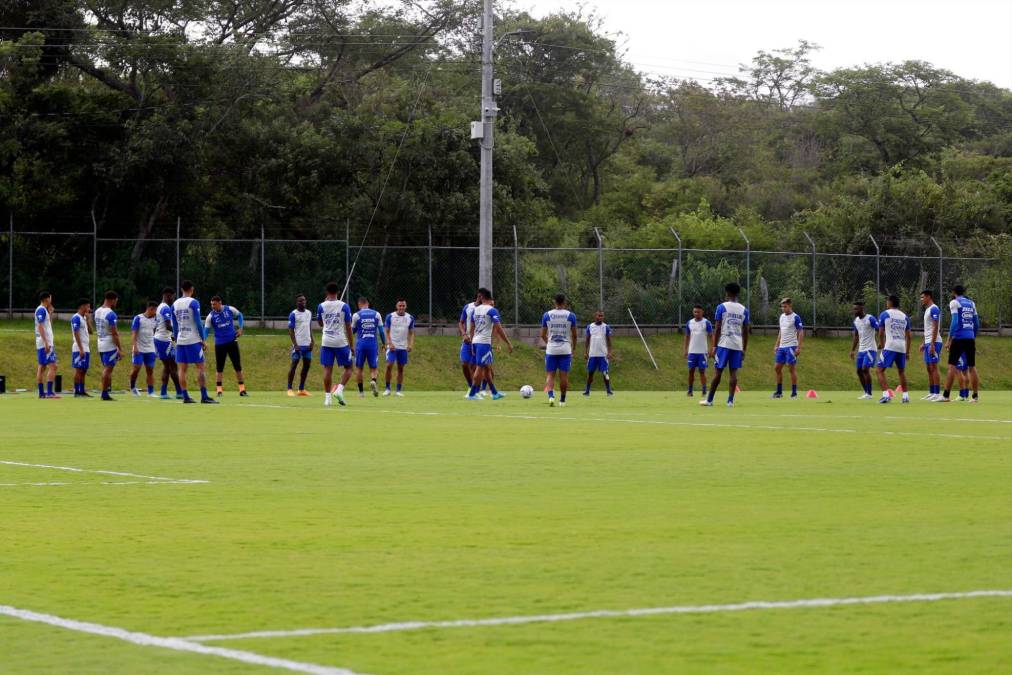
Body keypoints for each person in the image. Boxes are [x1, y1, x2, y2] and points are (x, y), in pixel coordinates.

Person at [701, 282, 749, 408]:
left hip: (724, 344)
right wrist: (744, 348)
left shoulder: (721, 307)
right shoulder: (744, 310)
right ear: (738, 293)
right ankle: (730, 401)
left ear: (727, 293)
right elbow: (746, 331)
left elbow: (717, 328)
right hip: (737, 345)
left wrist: (714, 346)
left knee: (718, 372)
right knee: (733, 373)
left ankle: (710, 400)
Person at [171, 280, 216, 404]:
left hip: (180, 340)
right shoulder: (193, 302)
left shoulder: (174, 304)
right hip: (193, 340)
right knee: (200, 367)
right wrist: (203, 339)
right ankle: (204, 396)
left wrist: (175, 339)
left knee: (181, 369)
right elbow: (198, 322)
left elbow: (174, 325)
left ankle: (185, 396)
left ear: (181, 290)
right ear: (192, 289)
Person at [466, 287, 512, 400]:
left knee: (487, 368)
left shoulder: (475, 310)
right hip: (484, 343)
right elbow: (499, 328)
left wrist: (472, 343)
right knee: (480, 368)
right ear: (490, 298)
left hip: (476, 341)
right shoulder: (492, 310)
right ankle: (472, 394)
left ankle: (494, 392)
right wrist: (508, 343)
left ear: (482, 297)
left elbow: (471, 328)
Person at [939, 284, 980, 403]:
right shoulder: (971, 303)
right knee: (972, 367)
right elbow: (976, 323)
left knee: (952, 366)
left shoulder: (954, 302)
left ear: (953, 292)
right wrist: (973, 335)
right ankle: (975, 396)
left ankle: (946, 395)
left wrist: (949, 340)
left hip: (959, 338)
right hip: (970, 337)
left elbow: (955, 321)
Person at [317, 282, 354, 407]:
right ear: (338, 292)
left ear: (326, 293)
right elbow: (348, 327)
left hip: (326, 341)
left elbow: (320, 324)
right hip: (340, 341)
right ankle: (339, 389)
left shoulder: (321, 306)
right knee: (349, 367)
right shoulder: (344, 306)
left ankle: (327, 398)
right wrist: (352, 345)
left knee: (327, 369)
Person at [540, 293, 578, 407]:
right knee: (564, 376)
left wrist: (549, 343)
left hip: (551, 349)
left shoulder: (547, 315)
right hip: (565, 349)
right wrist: (573, 349)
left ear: (554, 302)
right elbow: (575, 335)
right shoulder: (571, 315)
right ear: (564, 302)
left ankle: (551, 397)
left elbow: (542, 334)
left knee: (550, 375)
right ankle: (562, 400)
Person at [205, 296, 247, 397]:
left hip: (232, 342)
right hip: (219, 344)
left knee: (237, 366)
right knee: (219, 368)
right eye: (211, 304)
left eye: (214, 304)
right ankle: (219, 390)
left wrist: (240, 328)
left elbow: (240, 315)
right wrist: (203, 341)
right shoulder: (210, 316)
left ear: (220, 303)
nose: (212, 306)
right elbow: (205, 330)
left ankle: (242, 389)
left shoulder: (230, 309)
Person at [875, 295, 911, 404]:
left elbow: (881, 333)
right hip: (902, 346)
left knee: (879, 370)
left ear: (890, 302)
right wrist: (908, 351)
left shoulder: (885, 314)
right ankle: (905, 396)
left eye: (887, 301)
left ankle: (886, 395)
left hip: (890, 346)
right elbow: (909, 336)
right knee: (901, 371)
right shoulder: (904, 316)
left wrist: (882, 345)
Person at [352, 297, 385, 397]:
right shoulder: (376, 314)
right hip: (372, 344)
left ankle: (361, 392)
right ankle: (373, 380)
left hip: (361, 344)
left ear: (359, 304)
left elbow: (352, 331)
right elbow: (382, 331)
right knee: (373, 368)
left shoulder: (356, 315)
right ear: (368, 304)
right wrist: (384, 343)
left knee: (359, 368)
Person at [94, 290, 123, 401]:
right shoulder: (111, 314)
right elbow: (114, 333)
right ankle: (104, 393)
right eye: (116, 300)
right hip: (109, 345)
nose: (116, 302)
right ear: (112, 300)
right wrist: (119, 348)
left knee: (106, 368)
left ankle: (105, 391)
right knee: (108, 369)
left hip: (100, 342)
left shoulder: (97, 311)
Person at [772, 298, 803, 399]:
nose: (783, 308)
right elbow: (781, 331)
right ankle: (779, 392)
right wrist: (776, 345)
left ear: (790, 306)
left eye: (785, 306)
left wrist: (799, 347)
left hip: (791, 346)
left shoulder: (796, 317)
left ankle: (794, 393)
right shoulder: (781, 317)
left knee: (791, 369)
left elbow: (801, 332)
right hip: (781, 347)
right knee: (777, 368)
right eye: (782, 306)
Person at [154, 287, 182, 399]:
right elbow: (168, 325)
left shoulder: (160, 307)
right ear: (167, 295)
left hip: (161, 339)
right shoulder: (165, 308)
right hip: (163, 340)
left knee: (168, 367)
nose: (173, 299)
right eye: (172, 297)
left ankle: (164, 392)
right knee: (172, 366)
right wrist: (178, 332)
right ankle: (179, 392)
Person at [384, 299, 415, 397]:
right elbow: (386, 331)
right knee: (389, 365)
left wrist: (410, 344)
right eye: (400, 306)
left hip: (403, 347)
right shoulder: (390, 316)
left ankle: (398, 390)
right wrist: (389, 343)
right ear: (396, 306)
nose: (401, 307)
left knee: (400, 368)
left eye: (403, 306)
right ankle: (387, 389)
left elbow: (411, 333)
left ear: (406, 307)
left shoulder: (410, 318)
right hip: (392, 346)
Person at [849, 301, 878, 399]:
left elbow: (880, 329)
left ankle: (869, 394)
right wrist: (852, 350)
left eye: (856, 309)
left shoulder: (870, 318)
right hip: (861, 350)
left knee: (865, 369)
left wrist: (882, 341)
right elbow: (856, 336)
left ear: (861, 309)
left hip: (871, 349)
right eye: (854, 309)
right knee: (859, 371)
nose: (854, 311)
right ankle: (866, 392)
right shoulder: (856, 321)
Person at [129, 301, 159, 397]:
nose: (155, 312)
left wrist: (155, 348)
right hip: (139, 348)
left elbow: (154, 333)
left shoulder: (155, 319)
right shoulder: (138, 318)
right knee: (136, 369)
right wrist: (135, 346)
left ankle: (151, 391)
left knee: (150, 370)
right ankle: (133, 387)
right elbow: (134, 333)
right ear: (150, 309)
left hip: (150, 348)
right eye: (155, 310)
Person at [919, 289, 944, 401]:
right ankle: (932, 392)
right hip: (928, 342)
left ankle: (938, 394)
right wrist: (924, 343)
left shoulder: (934, 308)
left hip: (935, 342)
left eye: (923, 297)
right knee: (929, 367)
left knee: (934, 367)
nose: (921, 299)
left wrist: (932, 343)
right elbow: (928, 329)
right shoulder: (927, 310)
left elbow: (935, 327)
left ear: (929, 297)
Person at [287, 294, 314, 396]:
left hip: (307, 344)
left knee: (307, 366)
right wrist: (295, 344)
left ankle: (301, 389)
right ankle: (289, 389)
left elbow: (309, 328)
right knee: (294, 364)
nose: (303, 302)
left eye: (304, 300)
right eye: (300, 301)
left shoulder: (309, 313)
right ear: (296, 302)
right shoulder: (293, 314)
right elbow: (290, 330)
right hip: (298, 344)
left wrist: (312, 341)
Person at [34, 291, 59, 399]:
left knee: (42, 367)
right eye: (50, 298)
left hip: (44, 342)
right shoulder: (41, 309)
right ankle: (49, 392)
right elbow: (40, 326)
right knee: (53, 366)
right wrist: (46, 343)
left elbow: (47, 326)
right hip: (45, 342)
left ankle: (41, 393)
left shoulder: (44, 310)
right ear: (46, 299)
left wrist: (50, 314)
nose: (51, 300)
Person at [683, 304, 712, 397]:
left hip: (702, 352)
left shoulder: (706, 323)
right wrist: (685, 350)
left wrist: (712, 348)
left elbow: (711, 336)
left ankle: (704, 390)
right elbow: (687, 337)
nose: (696, 313)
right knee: (690, 370)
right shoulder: (689, 323)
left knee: (702, 371)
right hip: (692, 352)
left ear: (702, 312)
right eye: (695, 312)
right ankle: (690, 390)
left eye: (698, 312)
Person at [584, 309, 613, 396]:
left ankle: (608, 391)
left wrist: (610, 352)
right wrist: (585, 352)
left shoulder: (606, 327)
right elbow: (587, 340)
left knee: (605, 373)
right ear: (595, 316)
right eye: (599, 316)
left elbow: (609, 341)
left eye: (602, 316)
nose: (600, 317)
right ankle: (587, 391)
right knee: (590, 373)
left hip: (603, 355)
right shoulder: (590, 326)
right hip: (592, 354)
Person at [70, 298, 92, 397]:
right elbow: (76, 332)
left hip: (86, 347)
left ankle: (82, 390)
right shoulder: (76, 317)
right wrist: (81, 348)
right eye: (88, 306)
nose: (89, 308)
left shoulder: (84, 318)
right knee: (78, 369)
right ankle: (76, 391)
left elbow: (91, 332)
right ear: (82, 306)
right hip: (79, 347)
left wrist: (88, 320)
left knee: (84, 369)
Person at [458, 294, 478, 395]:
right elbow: (461, 322)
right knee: (464, 364)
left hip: (479, 341)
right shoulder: (468, 307)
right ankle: (471, 387)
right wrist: (464, 334)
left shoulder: (487, 309)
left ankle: (474, 390)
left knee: (475, 367)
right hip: (468, 340)